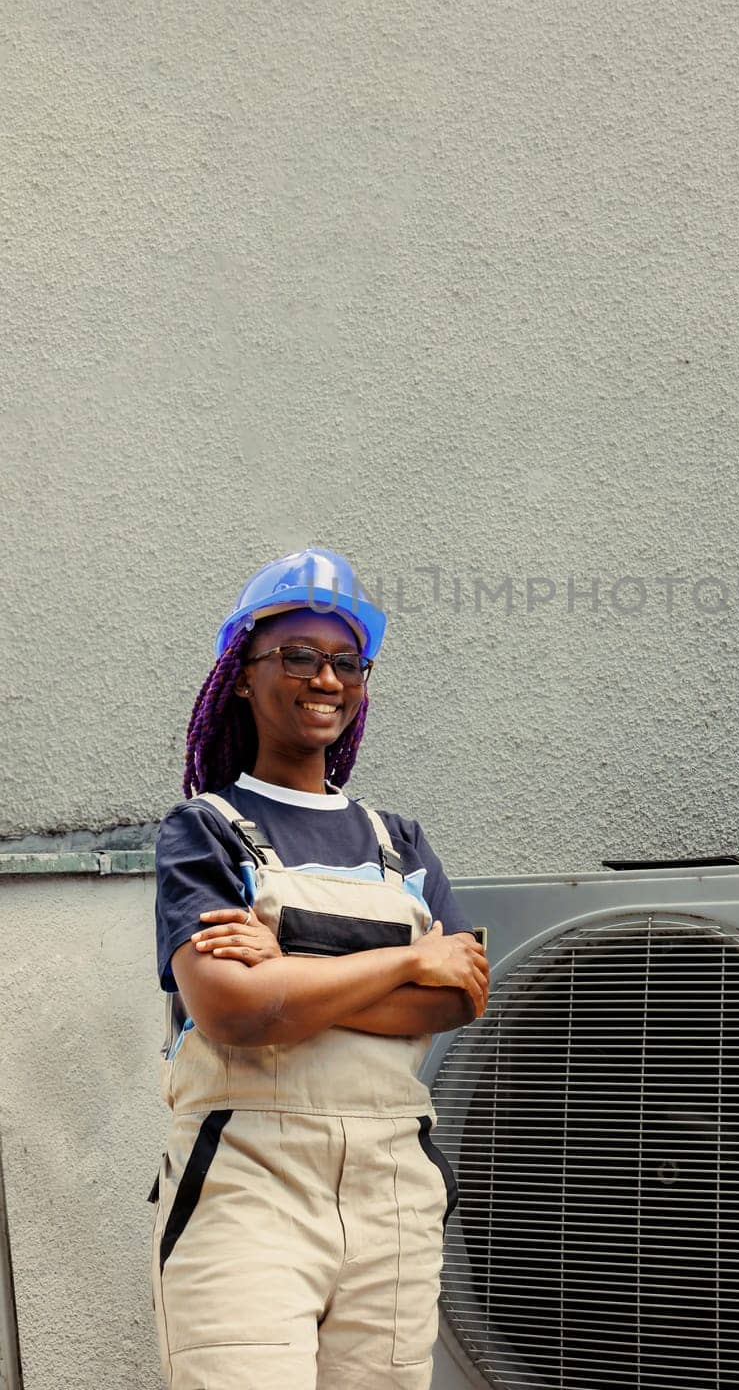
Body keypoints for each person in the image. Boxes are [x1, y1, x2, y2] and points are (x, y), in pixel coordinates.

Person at [150, 547, 489, 1390]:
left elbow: (458, 999)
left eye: (345, 662)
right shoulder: (206, 830)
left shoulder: (398, 841)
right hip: (249, 1183)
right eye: (297, 656)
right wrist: (406, 957)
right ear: (240, 674)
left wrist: (291, 976)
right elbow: (232, 1011)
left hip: (393, 1193)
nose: (324, 678)